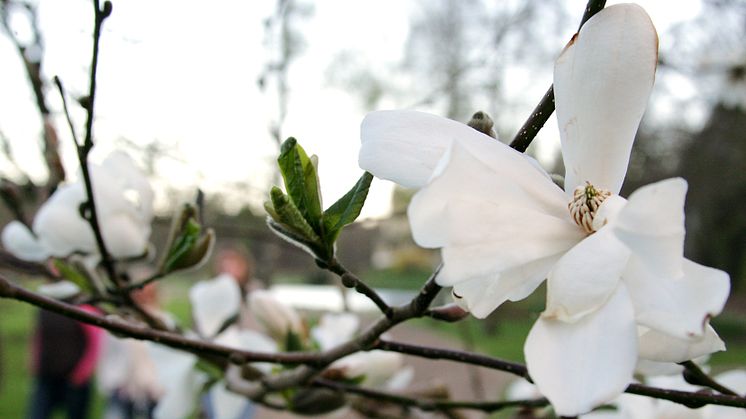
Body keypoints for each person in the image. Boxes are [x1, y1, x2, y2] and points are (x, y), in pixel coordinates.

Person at [28, 304, 103, 419]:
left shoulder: (84, 309)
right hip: (47, 374)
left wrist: (83, 371)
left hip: (74, 378)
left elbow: (96, 342)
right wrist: (35, 360)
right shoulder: (44, 306)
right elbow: (39, 334)